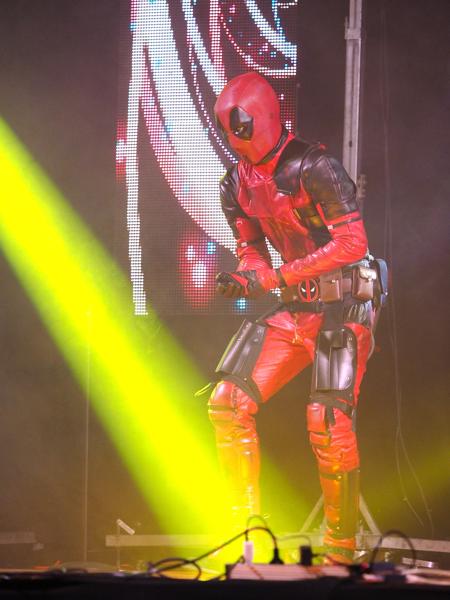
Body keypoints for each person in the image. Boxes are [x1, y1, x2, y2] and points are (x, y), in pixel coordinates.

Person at [208, 71, 385, 563]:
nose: (235, 138)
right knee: (227, 404)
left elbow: (352, 244)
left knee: (327, 419)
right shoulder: (235, 183)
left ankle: (341, 549)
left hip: (343, 303)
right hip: (293, 306)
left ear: (259, 118)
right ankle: (243, 538)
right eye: (229, 129)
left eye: (240, 126)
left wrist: (277, 276)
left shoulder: (315, 167)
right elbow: (250, 247)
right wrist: (248, 276)